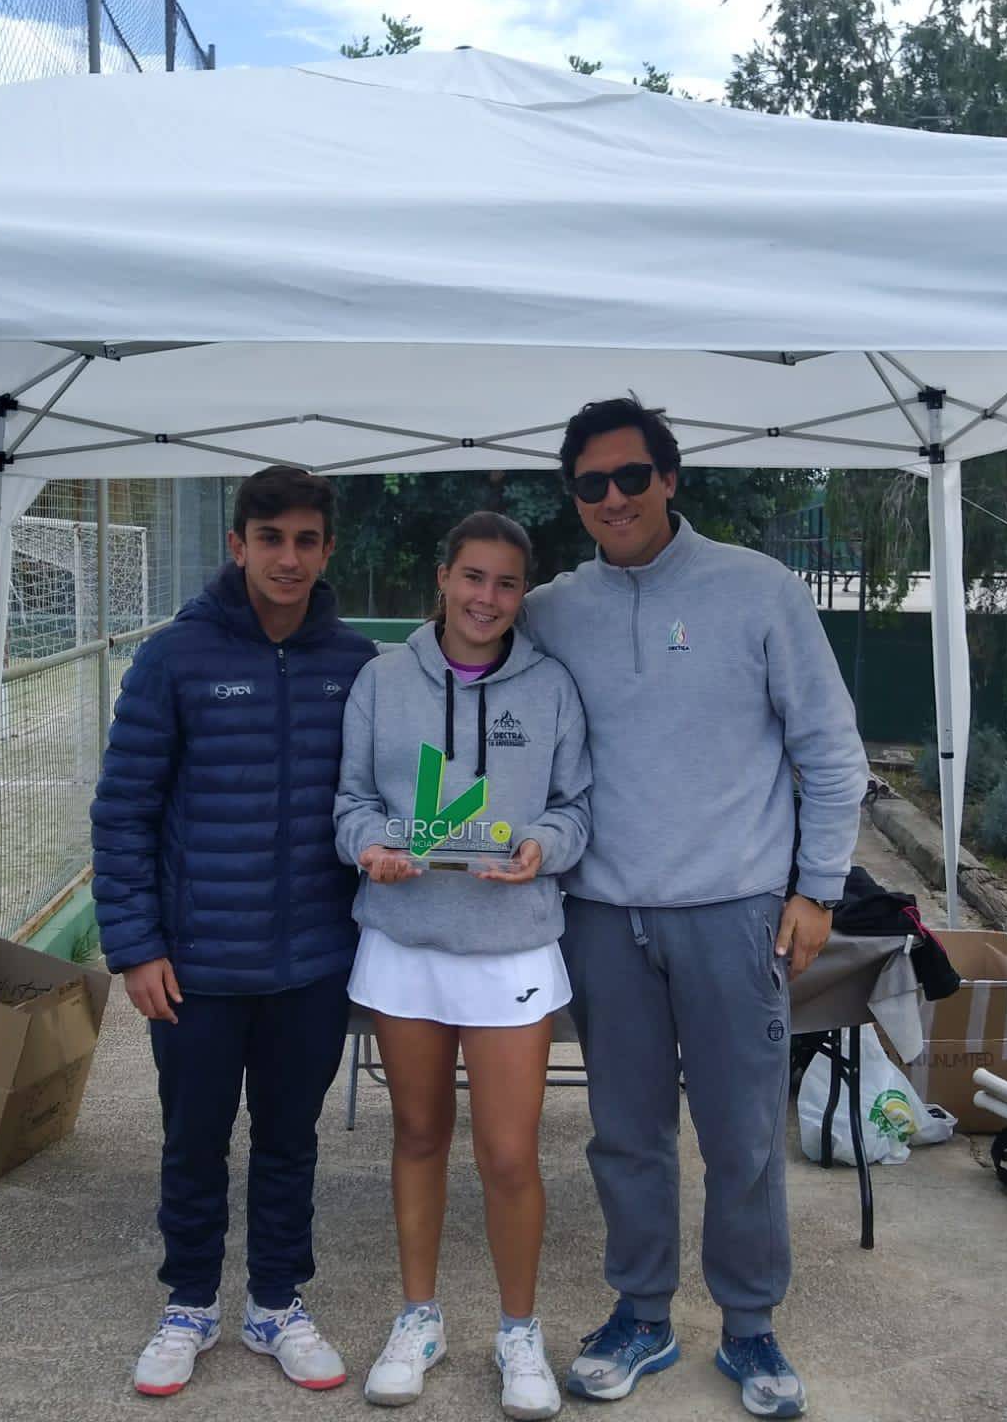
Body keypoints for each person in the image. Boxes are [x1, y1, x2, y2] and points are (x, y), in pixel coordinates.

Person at [522, 398, 869, 1420]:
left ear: (670, 479)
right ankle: (641, 1315)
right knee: (624, 1135)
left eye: (632, 476)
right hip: (601, 918)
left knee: (743, 1137)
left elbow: (830, 752)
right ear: (574, 497)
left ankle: (750, 1327)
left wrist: (817, 889)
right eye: (591, 484)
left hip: (734, 911)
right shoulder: (550, 611)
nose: (613, 497)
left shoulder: (758, 590)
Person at [90, 465, 378, 1400]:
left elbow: (383, 802)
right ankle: (188, 1305)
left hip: (313, 963)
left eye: (305, 541)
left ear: (327, 551)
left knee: (290, 1144)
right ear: (238, 545)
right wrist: (136, 946)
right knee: (193, 1142)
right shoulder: (174, 658)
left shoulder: (358, 665)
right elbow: (124, 811)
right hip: (197, 967)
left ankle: (277, 1304)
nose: (288, 558)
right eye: (270, 539)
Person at [334, 512, 591, 1420]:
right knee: (417, 1135)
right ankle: (419, 1319)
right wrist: (371, 847)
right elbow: (352, 802)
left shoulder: (551, 687)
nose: (487, 598)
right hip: (404, 941)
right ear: (442, 578)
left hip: (511, 946)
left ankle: (519, 1332)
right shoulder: (381, 680)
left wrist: (543, 846)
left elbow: (575, 809)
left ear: (525, 593)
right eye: (473, 577)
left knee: (510, 1154)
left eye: (507, 583)